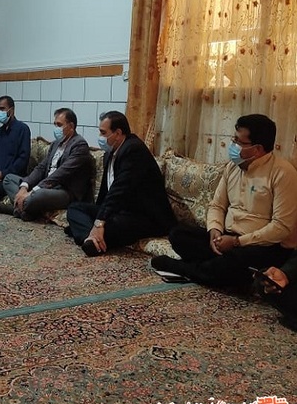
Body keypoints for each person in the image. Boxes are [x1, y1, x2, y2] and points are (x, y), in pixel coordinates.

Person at [151, 114, 297, 292]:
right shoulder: (232, 167)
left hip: (263, 245)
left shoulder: (283, 173)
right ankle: (228, 274)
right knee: (178, 235)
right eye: (234, 139)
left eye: (239, 142)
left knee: (233, 261)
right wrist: (215, 230)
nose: (233, 145)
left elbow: (281, 227)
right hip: (228, 238)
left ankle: (183, 268)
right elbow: (217, 205)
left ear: (257, 149)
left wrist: (237, 242)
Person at [66, 111, 176, 257]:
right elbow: (106, 192)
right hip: (120, 211)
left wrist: (98, 222)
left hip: (145, 216)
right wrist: (98, 218)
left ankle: (88, 237)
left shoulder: (133, 149)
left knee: (112, 225)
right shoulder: (111, 152)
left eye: (103, 133)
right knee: (75, 208)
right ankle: (90, 238)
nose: (100, 137)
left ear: (118, 133)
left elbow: (119, 189)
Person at [0, 108, 93, 221]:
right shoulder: (55, 144)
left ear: (71, 126)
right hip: (45, 185)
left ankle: (15, 209)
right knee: (9, 179)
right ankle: (24, 210)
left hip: (64, 191)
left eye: (59, 125)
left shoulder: (79, 145)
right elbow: (41, 168)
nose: (56, 128)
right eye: (55, 124)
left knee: (38, 195)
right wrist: (24, 187)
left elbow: (61, 174)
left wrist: (34, 190)